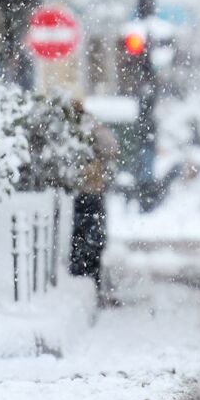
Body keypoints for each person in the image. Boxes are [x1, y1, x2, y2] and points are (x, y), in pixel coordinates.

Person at [70, 110, 119, 303]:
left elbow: (111, 148)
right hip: (90, 191)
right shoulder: (89, 127)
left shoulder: (74, 129)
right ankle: (91, 279)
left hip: (83, 192)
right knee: (92, 239)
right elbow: (112, 148)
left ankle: (86, 277)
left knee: (83, 239)